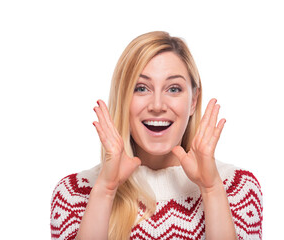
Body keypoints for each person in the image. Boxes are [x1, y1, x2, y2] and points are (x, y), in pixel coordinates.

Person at [50, 31, 263, 240]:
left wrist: (211, 190)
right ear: (123, 98)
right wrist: (105, 191)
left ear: (193, 101)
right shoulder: (75, 194)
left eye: (173, 89)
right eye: (141, 88)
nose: (158, 106)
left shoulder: (238, 189)